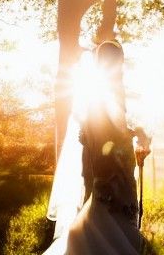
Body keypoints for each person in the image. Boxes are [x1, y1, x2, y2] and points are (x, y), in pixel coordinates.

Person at [44, 40, 151, 255]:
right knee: (108, 209)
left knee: (118, 211)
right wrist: (106, 169)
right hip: (109, 165)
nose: (119, 65)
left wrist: (134, 132)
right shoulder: (98, 91)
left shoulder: (114, 88)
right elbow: (96, 130)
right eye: (116, 60)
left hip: (120, 161)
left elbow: (114, 128)